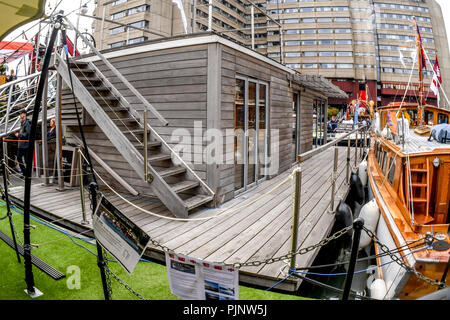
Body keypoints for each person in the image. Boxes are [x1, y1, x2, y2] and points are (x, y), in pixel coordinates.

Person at [14, 109, 31, 176]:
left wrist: (19, 135)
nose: (20, 115)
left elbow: (27, 134)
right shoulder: (22, 122)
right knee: (18, 158)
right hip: (21, 145)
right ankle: (25, 173)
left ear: (24, 114)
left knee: (27, 160)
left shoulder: (28, 122)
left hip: (26, 145)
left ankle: (27, 174)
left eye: (21, 114)